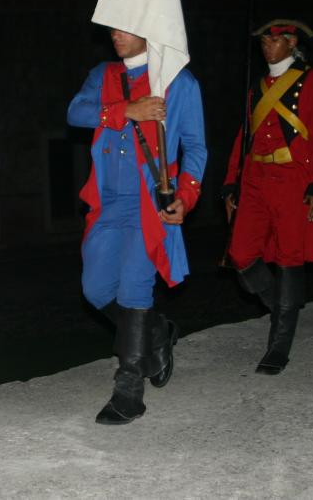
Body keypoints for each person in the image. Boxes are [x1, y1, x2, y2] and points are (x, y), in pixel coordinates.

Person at [67, 28, 206, 424]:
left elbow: (196, 146)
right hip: (106, 201)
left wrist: (187, 195)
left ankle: (129, 388)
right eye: (113, 27)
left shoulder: (179, 80)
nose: (116, 34)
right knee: (95, 291)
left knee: (133, 288)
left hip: (149, 203)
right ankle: (158, 331)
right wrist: (126, 110)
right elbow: (75, 111)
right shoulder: (104, 75)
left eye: (126, 27)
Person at [222, 20, 313, 374]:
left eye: (274, 40)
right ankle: (286, 309)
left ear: (292, 42)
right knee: (240, 253)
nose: (267, 45)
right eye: (264, 40)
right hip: (254, 177)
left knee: (288, 257)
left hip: (292, 177)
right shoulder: (258, 86)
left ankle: (279, 343)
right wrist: (231, 181)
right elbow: (245, 134)